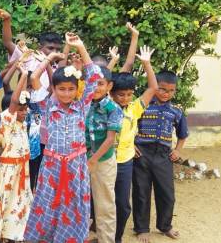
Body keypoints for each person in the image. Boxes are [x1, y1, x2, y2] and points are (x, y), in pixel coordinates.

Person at [24, 33, 102, 243]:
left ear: (77, 90)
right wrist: (50, 59)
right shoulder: (49, 105)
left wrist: (80, 46)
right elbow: (34, 79)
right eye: (61, 89)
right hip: (52, 165)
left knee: (74, 205)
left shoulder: (82, 106)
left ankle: (69, 239)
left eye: (70, 89)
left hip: (76, 165)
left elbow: (94, 77)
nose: (66, 94)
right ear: (55, 89)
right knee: (48, 204)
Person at [132, 71, 189, 243]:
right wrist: (131, 146)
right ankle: (141, 228)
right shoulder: (143, 105)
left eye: (171, 91)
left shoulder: (176, 110)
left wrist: (178, 150)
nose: (166, 94)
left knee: (167, 193)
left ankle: (165, 226)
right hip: (141, 154)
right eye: (162, 89)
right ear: (154, 87)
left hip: (164, 156)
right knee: (141, 192)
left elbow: (183, 134)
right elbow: (128, 125)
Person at [112, 46, 157, 243]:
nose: (125, 98)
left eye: (129, 94)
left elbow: (153, 88)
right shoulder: (105, 106)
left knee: (122, 205)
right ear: (111, 93)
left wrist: (147, 64)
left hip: (124, 163)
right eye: (121, 94)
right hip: (102, 161)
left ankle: (117, 237)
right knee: (98, 202)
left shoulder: (134, 108)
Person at [0, 69, 33, 242]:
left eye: (25, 109)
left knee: (20, 202)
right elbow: (14, 100)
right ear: (11, 110)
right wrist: (22, 75)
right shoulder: (7, 122)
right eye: (20, 109)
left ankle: (16, 235)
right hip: (9, 171)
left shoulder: (22, 125)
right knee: (5, 202)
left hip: (23, 170)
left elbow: (24, 96)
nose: (23, 112)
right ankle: (0, 236)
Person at [85, 67, 124, 243]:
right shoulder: (83, 104)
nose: (95, 87)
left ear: (109, 86)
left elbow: (110, 139)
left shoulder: (113, 108)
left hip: (103, 161)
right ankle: (80, 236)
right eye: (91, 83)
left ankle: (106, 240)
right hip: (81, 160)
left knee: (104, 205)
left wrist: (93, 159)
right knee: (80, 203)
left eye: (100, 84)